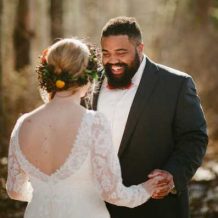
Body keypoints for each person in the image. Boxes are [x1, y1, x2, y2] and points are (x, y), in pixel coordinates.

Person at [6, 38, 165, 218]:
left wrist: (46, 194)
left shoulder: (23, 124)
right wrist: (146, 188)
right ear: (88, 76)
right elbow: (112, 193)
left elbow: (14, 190)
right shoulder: (93, 123)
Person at [90, 16, 208, 218]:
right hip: (97, 207)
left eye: (121, 52)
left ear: (140, 48)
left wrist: (172, 175)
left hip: (156, 206)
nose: (112, 60)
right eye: (106, 53)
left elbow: (194, 137)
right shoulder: (90, 83)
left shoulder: (176, 84)